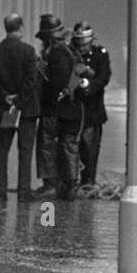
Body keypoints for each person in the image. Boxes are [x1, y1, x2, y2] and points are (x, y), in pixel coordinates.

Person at [0, 13, 40, 202]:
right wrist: (20, 100)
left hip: (5, 109)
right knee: (25, 150)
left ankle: (1, 190)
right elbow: (31, 80)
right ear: (21, 27)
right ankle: (24, 191)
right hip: (26, 110)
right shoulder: (29, 52)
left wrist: (4, 96)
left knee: (2, 149)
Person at [33, 13, 82, 199]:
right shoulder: (67, 51)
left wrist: (46, 98)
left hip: (55, 110)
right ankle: (69, 186)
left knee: (47, 146)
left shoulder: (57, 53)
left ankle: (51, 185)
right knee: (68, 147)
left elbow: (57, 82)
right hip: (69, 110)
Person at [70, 22, 111, 186]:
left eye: (85, 44)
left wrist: (89, 86)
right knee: (73, 148)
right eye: (80, 44)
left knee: (90, 149)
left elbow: (104, 77)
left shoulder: (100, 54)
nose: (82, 48)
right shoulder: (70, 54)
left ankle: (88, 181)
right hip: (73, 109)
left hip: (92, 110)